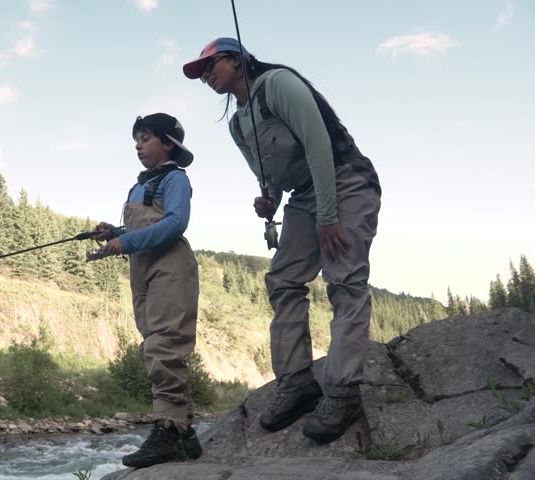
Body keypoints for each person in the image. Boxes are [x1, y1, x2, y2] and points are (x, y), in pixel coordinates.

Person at [182, 38, 382, 443]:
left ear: (236, 60)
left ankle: (343, 392)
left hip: (346, 179)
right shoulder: (238, 123)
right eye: (200, 73)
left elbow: (319, 144)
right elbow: (268, 174)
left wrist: (328, 216)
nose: (205, 77)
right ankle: (297, 383)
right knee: (283, 281)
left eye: (210, 66)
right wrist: (269, 197)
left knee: (344, 280)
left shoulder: (278, 83)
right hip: (304, 196)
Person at [92, 113, 203, 467]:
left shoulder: (175, 179)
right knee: (152, 347)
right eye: (136, 140)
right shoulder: (138, 185)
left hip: (170, 268)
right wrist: (113, 233)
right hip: (142, 272)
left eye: (145, 138)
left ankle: (169, 430)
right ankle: (185, 433)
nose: (138, 146)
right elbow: (140, 227)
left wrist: (125, 242)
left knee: (163, 346)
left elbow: (176, 222)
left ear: (167, 143)